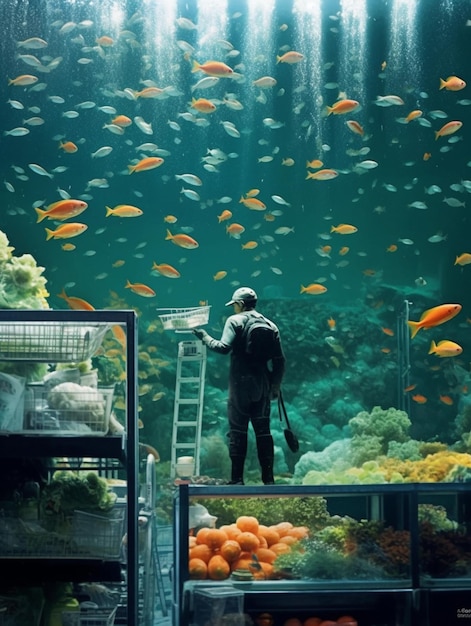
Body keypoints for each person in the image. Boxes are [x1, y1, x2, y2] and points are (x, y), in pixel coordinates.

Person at [193, 287, 285, 485]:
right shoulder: (271, 325)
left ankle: (237, 480)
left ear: (241, 304)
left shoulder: (235, 321)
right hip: (262, 385)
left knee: (237, 431)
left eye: (234, 304)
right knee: (264, 432)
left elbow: (223, 348)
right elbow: (279, 360)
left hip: (240, 385)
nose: (233, 308)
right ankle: (268, 480)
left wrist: (204, 337)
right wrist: (275, 386)